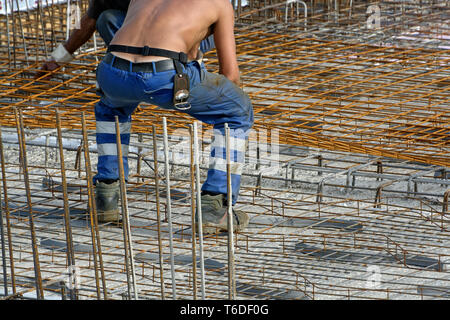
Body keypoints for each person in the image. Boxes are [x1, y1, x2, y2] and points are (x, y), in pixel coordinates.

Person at [94, 0, 253, 234]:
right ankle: (214, 206)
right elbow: (230, 74)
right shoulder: (220, 4)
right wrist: (215, 95)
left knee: (112, 110)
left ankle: (106, 196)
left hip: (111, 71)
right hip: (166, 77)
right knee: (238, 111)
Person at [38, 0, 215, 76]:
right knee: (106, 19)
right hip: (151, 37)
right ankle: (137, 69)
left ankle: (174, 69)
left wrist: (191, 62)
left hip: (193, 34)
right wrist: (58, 58)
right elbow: (89, 22)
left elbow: (197, 15)